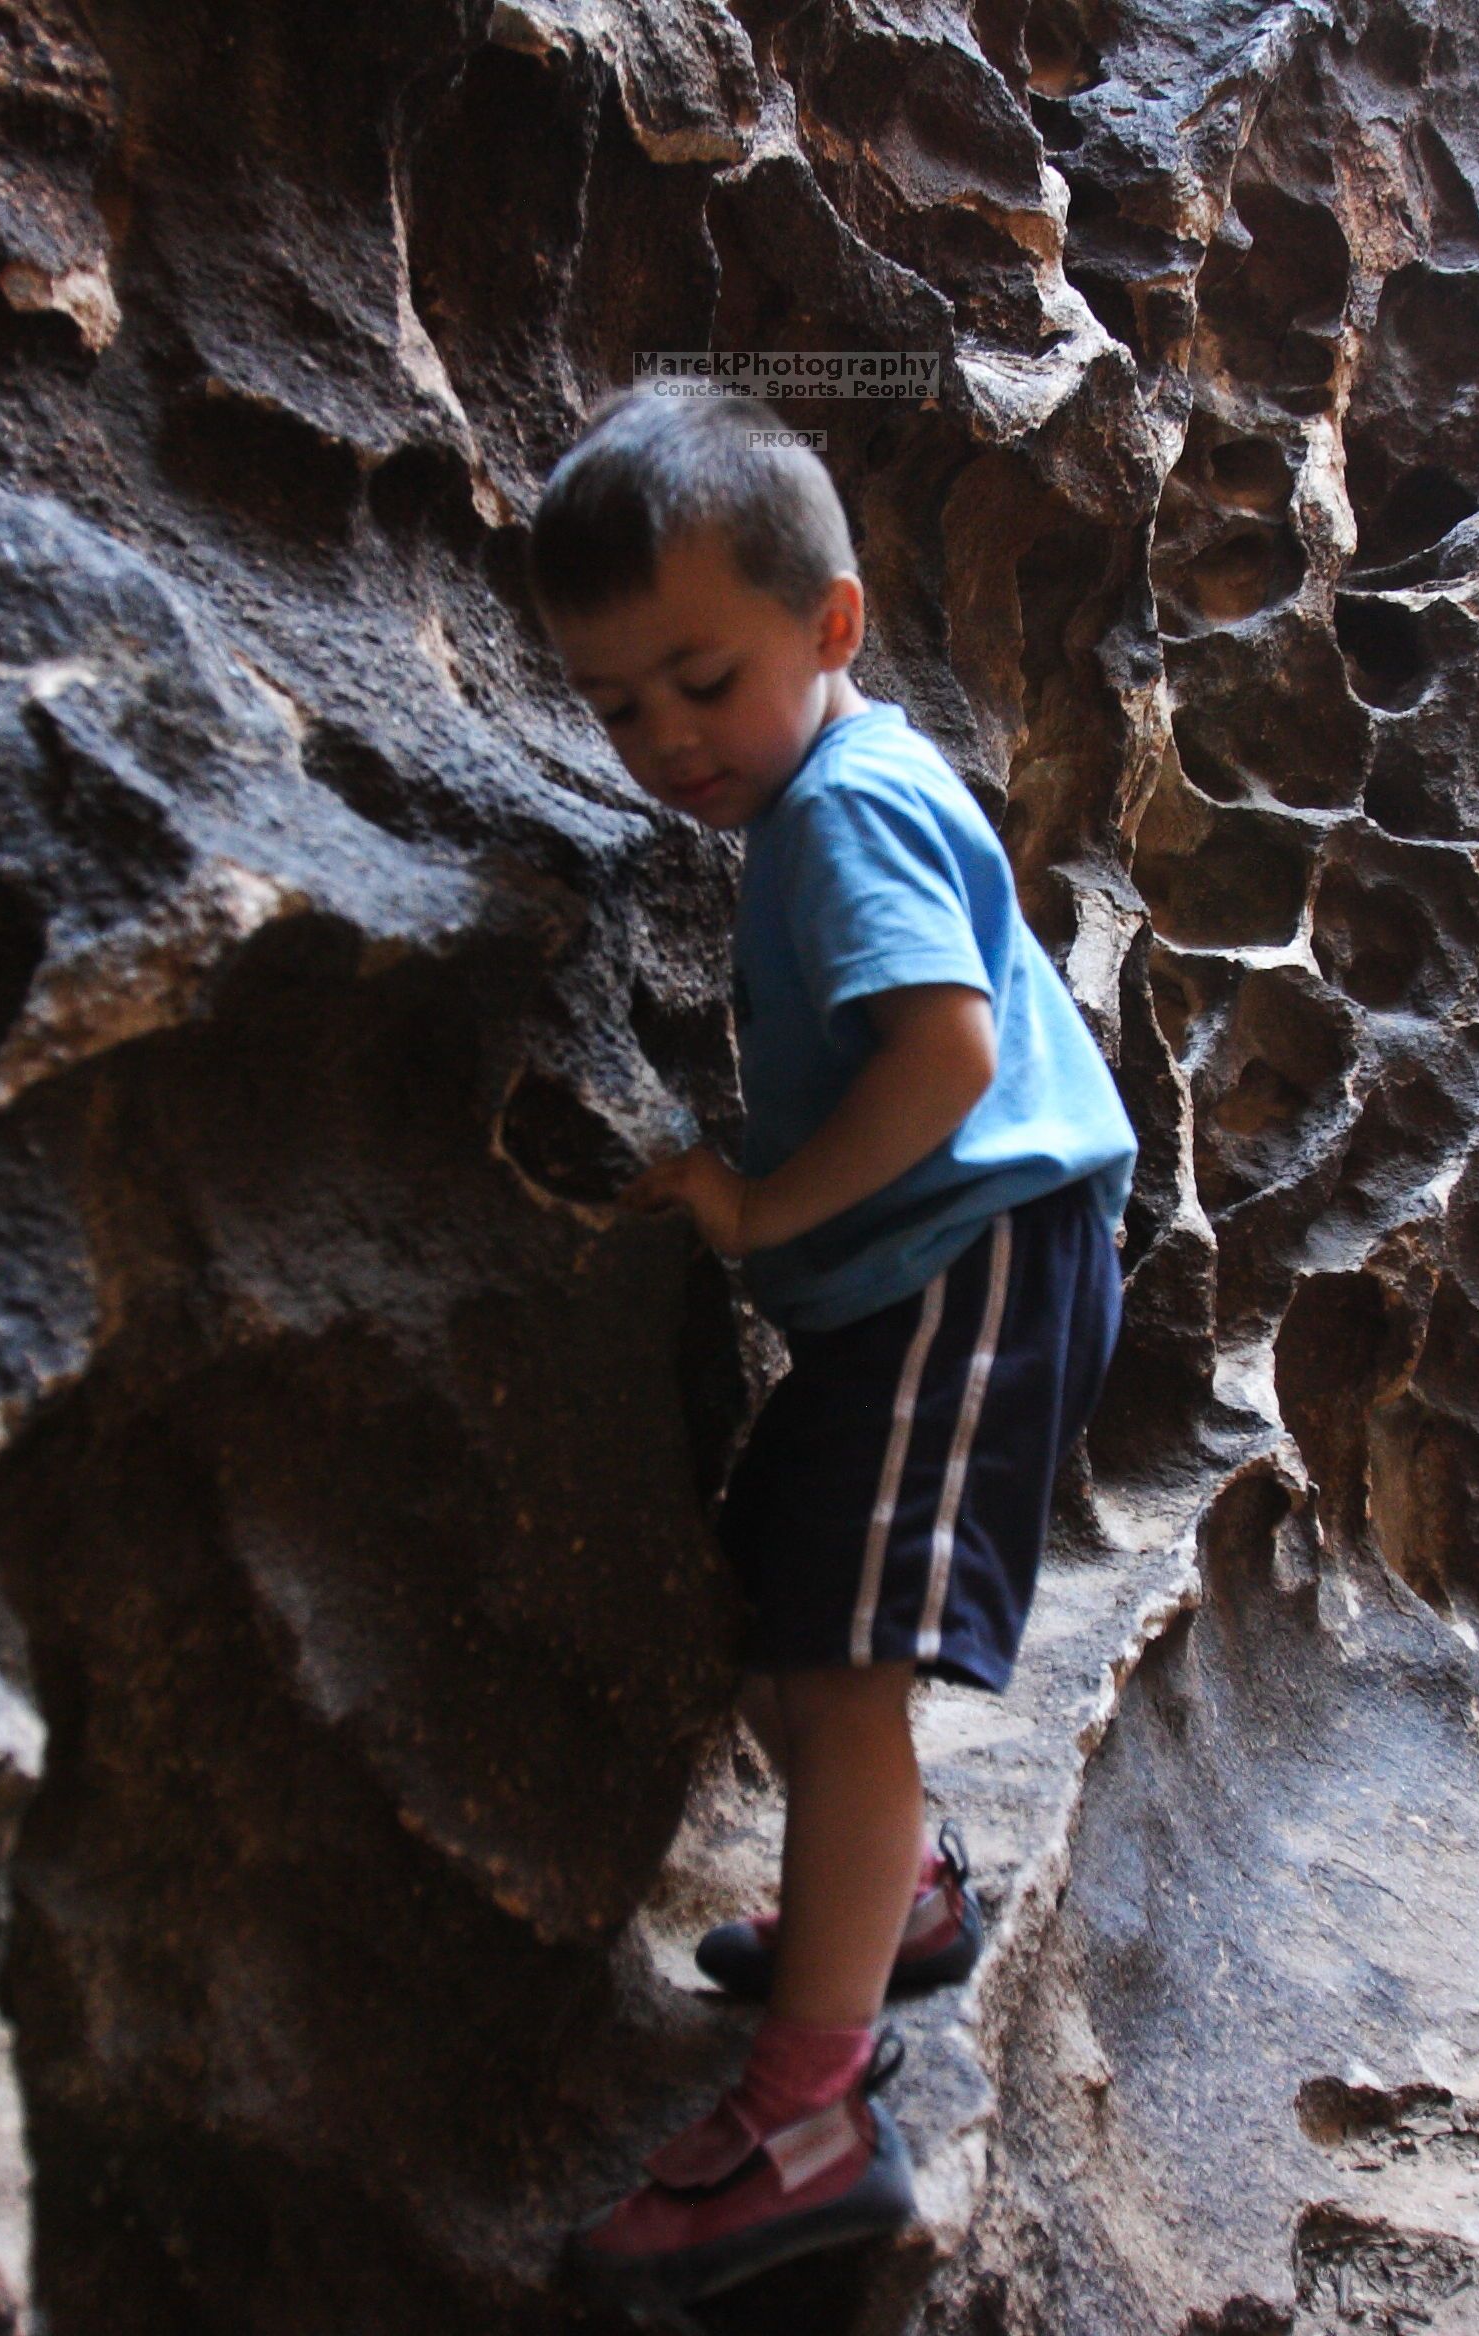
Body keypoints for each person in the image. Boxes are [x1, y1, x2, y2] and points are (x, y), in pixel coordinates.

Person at [526, 384, 1136, 2314]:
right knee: (795, 1585)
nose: (667, 739)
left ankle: (809, 2114)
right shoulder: (821, 787)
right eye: (620, 707)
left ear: (836, 627)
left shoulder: (847, 804)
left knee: (848, 1664)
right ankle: (909, 1895)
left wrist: (761, 1206)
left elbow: (948, 1055)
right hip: (936, 1272)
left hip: (968, 1260)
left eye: (702, 678)